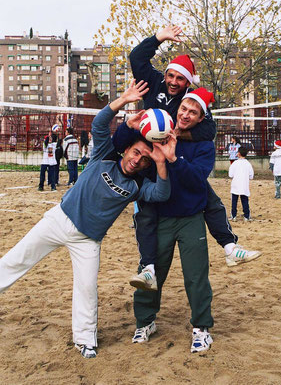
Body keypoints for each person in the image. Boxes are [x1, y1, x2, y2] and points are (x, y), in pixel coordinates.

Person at [0, 80, 171, 360]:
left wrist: (161, 161)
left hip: (87, 240)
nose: (137, 160)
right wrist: (122, 100)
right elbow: (100, 125)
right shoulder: (104, 156)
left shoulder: (137, 186)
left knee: (87, 289)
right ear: (127, 150)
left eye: (144, 159)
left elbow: (162, 193)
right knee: (16, 260)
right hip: (58, 220)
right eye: (136, 152)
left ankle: (85, 341)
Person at [126, 25, 261, 270]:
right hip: (148, 158)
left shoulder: (190, 100)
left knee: (209, 198)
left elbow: (209, 130)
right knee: (145, 211)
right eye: (171, 76)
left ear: (187, 83)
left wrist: (180, 133)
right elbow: (136, 57)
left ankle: (230, 247)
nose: (174, 82)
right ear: (165, 74)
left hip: (172, 158)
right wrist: (160, 38)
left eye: (180, 78)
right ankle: (147, 267)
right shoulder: (155, 81)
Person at [117, 89, 215, 352]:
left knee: (196, 275)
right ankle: (145, 322)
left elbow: (197, 181)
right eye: (184, 108)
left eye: (193, 112)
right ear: (178, 107)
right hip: (160, 217)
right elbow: (123, 143)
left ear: (200, 118)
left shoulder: (204, 145)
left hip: (191, 217)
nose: (185, 114)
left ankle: (201, 328)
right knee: (152, 272)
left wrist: (173, 158)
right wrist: (129, 125)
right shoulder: (159, 128)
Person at [228, 147, 254, 224]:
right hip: (244, 185)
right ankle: (246, 216)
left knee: (234, 201)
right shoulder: (248, 164)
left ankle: (234, 216)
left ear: (238, 153)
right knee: (245, 200)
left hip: (235, 184)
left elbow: (230, 175)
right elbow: (251, 176)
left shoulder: (235, 163)